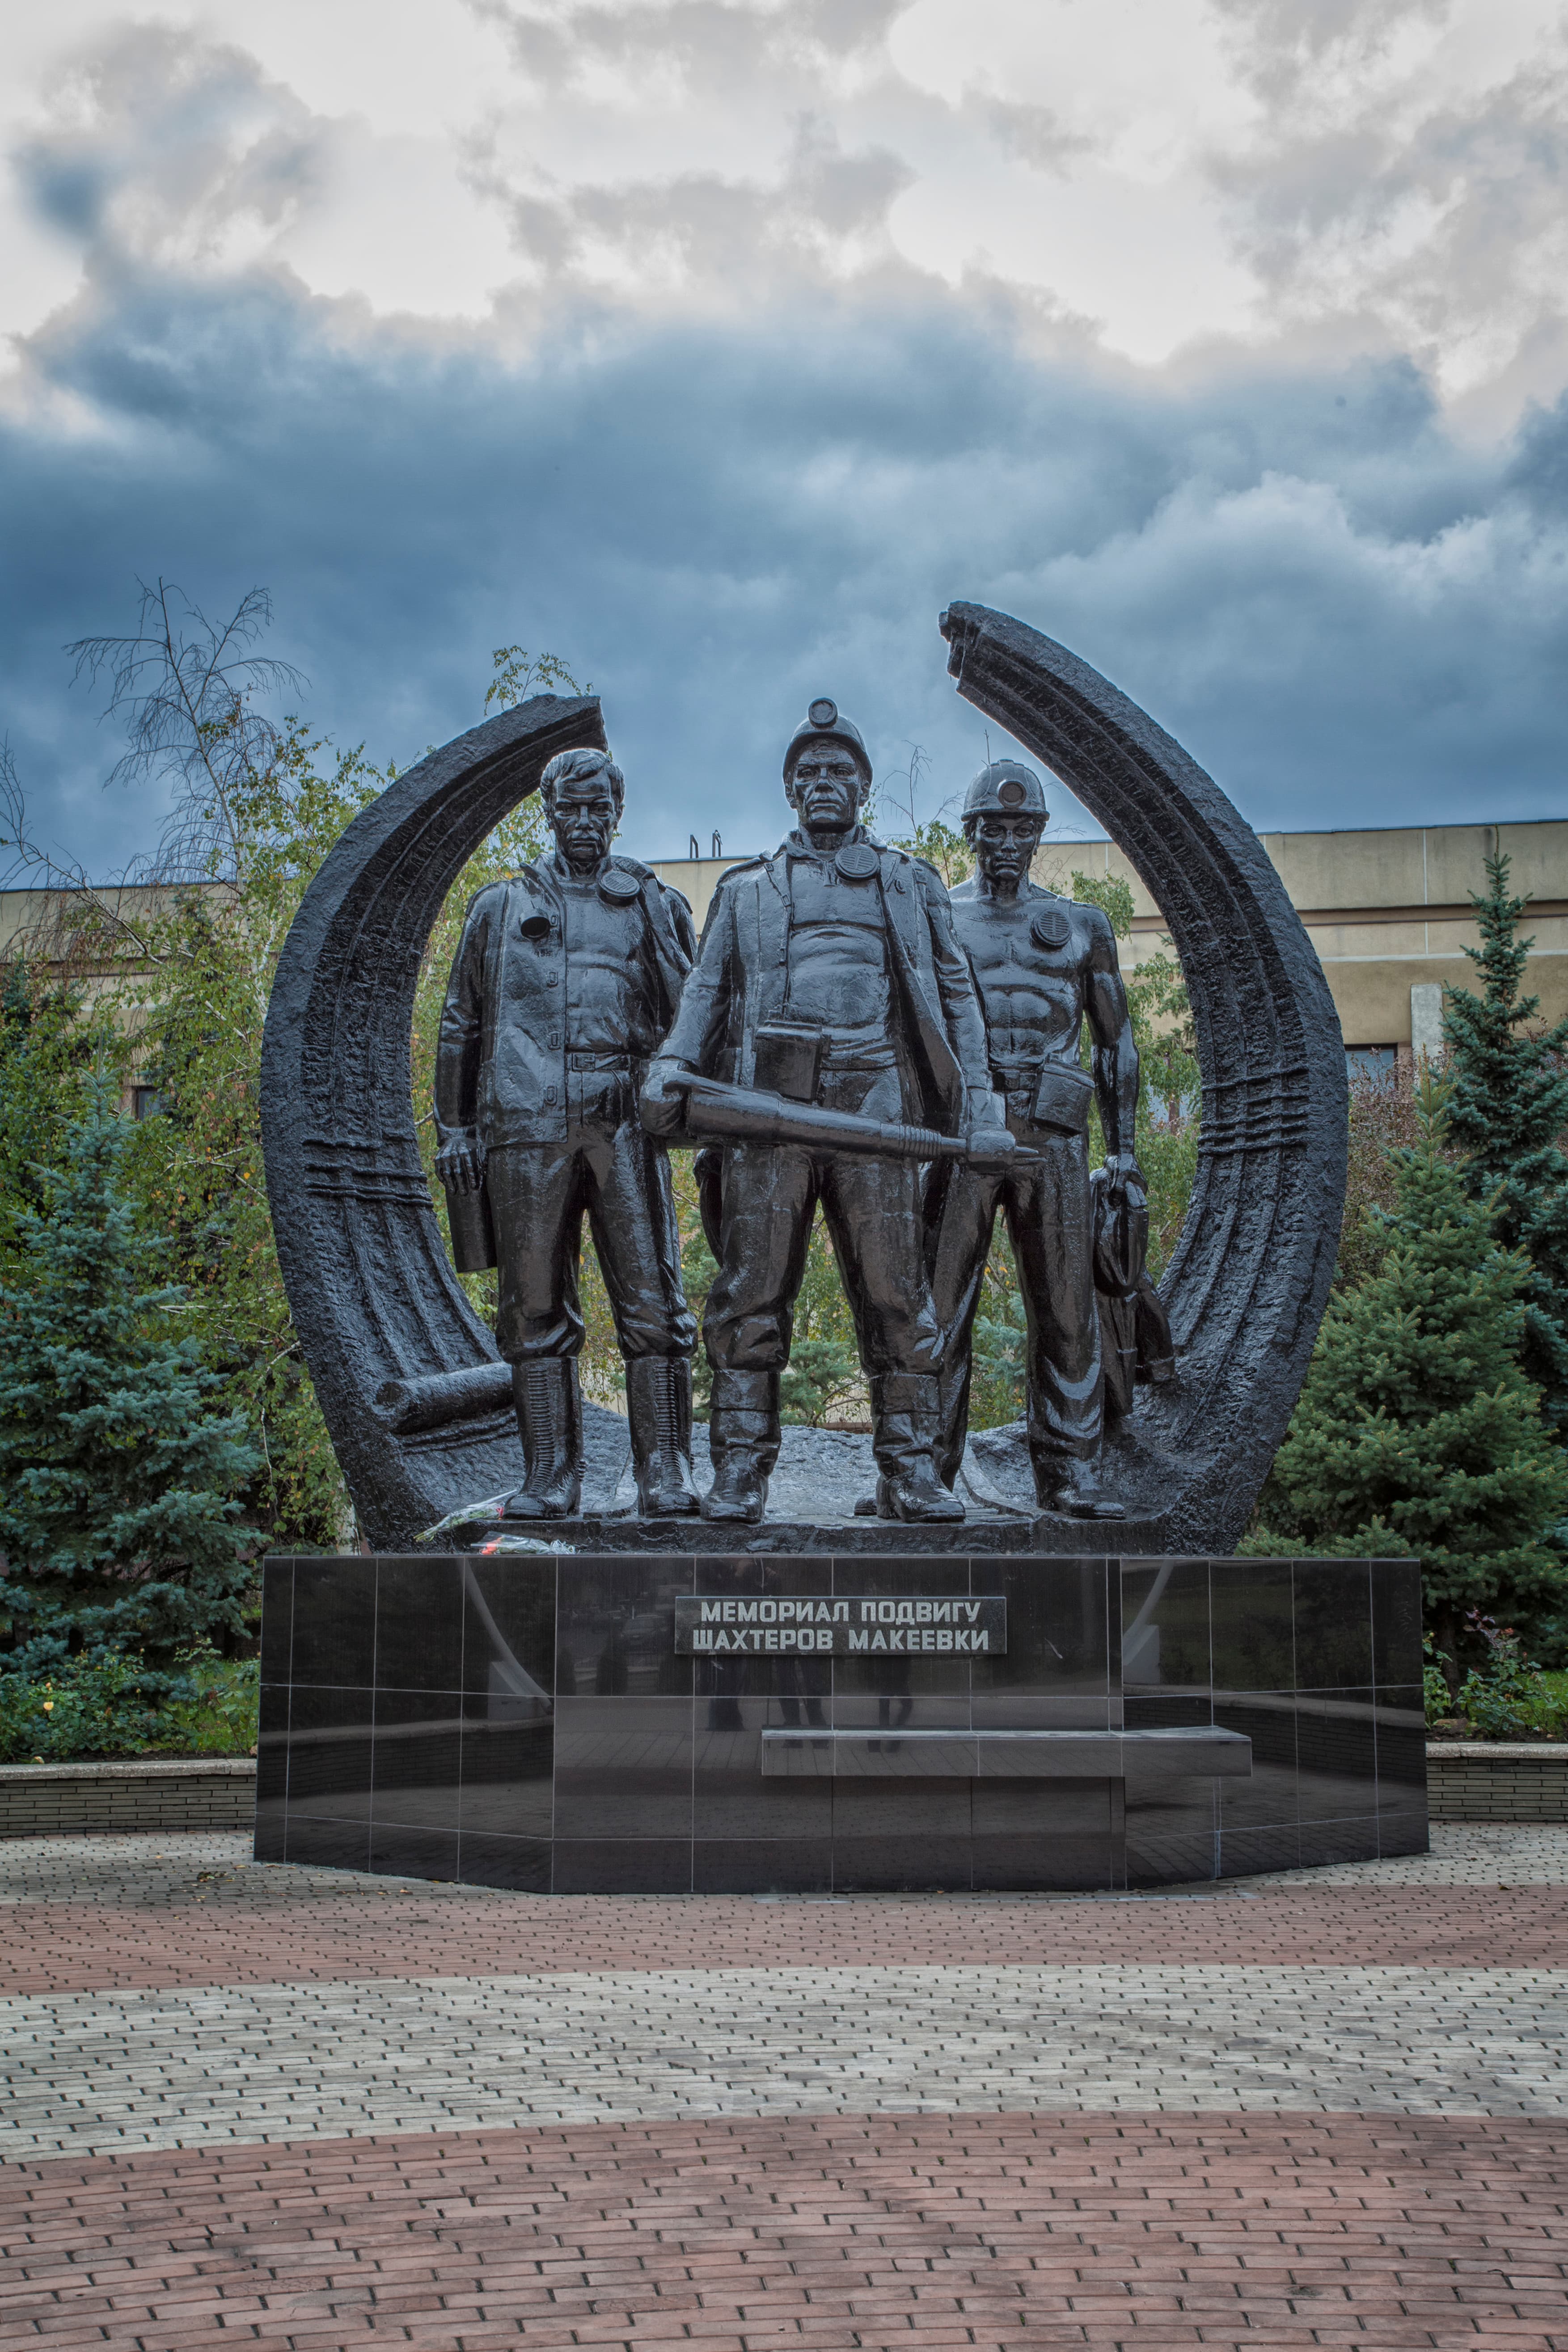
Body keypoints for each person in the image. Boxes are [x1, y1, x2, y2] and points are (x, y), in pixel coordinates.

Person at [642, 697, 1006, 1524]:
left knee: (897, 1291)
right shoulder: (745, 890)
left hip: (876, 1100)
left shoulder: (910, 882)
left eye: (841, 770)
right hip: (768, 1104)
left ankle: (910, 1471)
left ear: (865, 786)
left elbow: (957, 995)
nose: (824, 782)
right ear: (789, 790)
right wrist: (671, 1064)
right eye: (808, 772)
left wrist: (980, 1104)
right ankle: (741, 1471)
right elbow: (705, 990)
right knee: (750, 1292)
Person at [435, 746, 700, 1518]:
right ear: (548, 814)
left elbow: (696, 1011)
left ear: (618, 815)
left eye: (599, 809)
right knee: (534, 1307)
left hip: (624, 1121)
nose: (585, 821)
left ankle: (666, 1470)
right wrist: (455, 1127)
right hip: (525, 1124)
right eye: (571, 808)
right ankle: (551, 1475)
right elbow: (459, 1024)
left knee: (652, 1299)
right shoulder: (498, 907)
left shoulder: (650, 902)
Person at [930, 759, 1141, 1517]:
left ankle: (1069, 1472)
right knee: (937, 1304)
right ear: (971, 833)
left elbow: (1117, 1043)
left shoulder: (1084, 925)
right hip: (966, 1129)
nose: (1008, 842)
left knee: (1066, 1306)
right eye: (994, 828)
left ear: (1040, 835)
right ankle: (922, 1469)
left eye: (1023, 828)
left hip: (1055, 1131)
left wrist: (1123, 1150)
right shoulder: (939, 916)